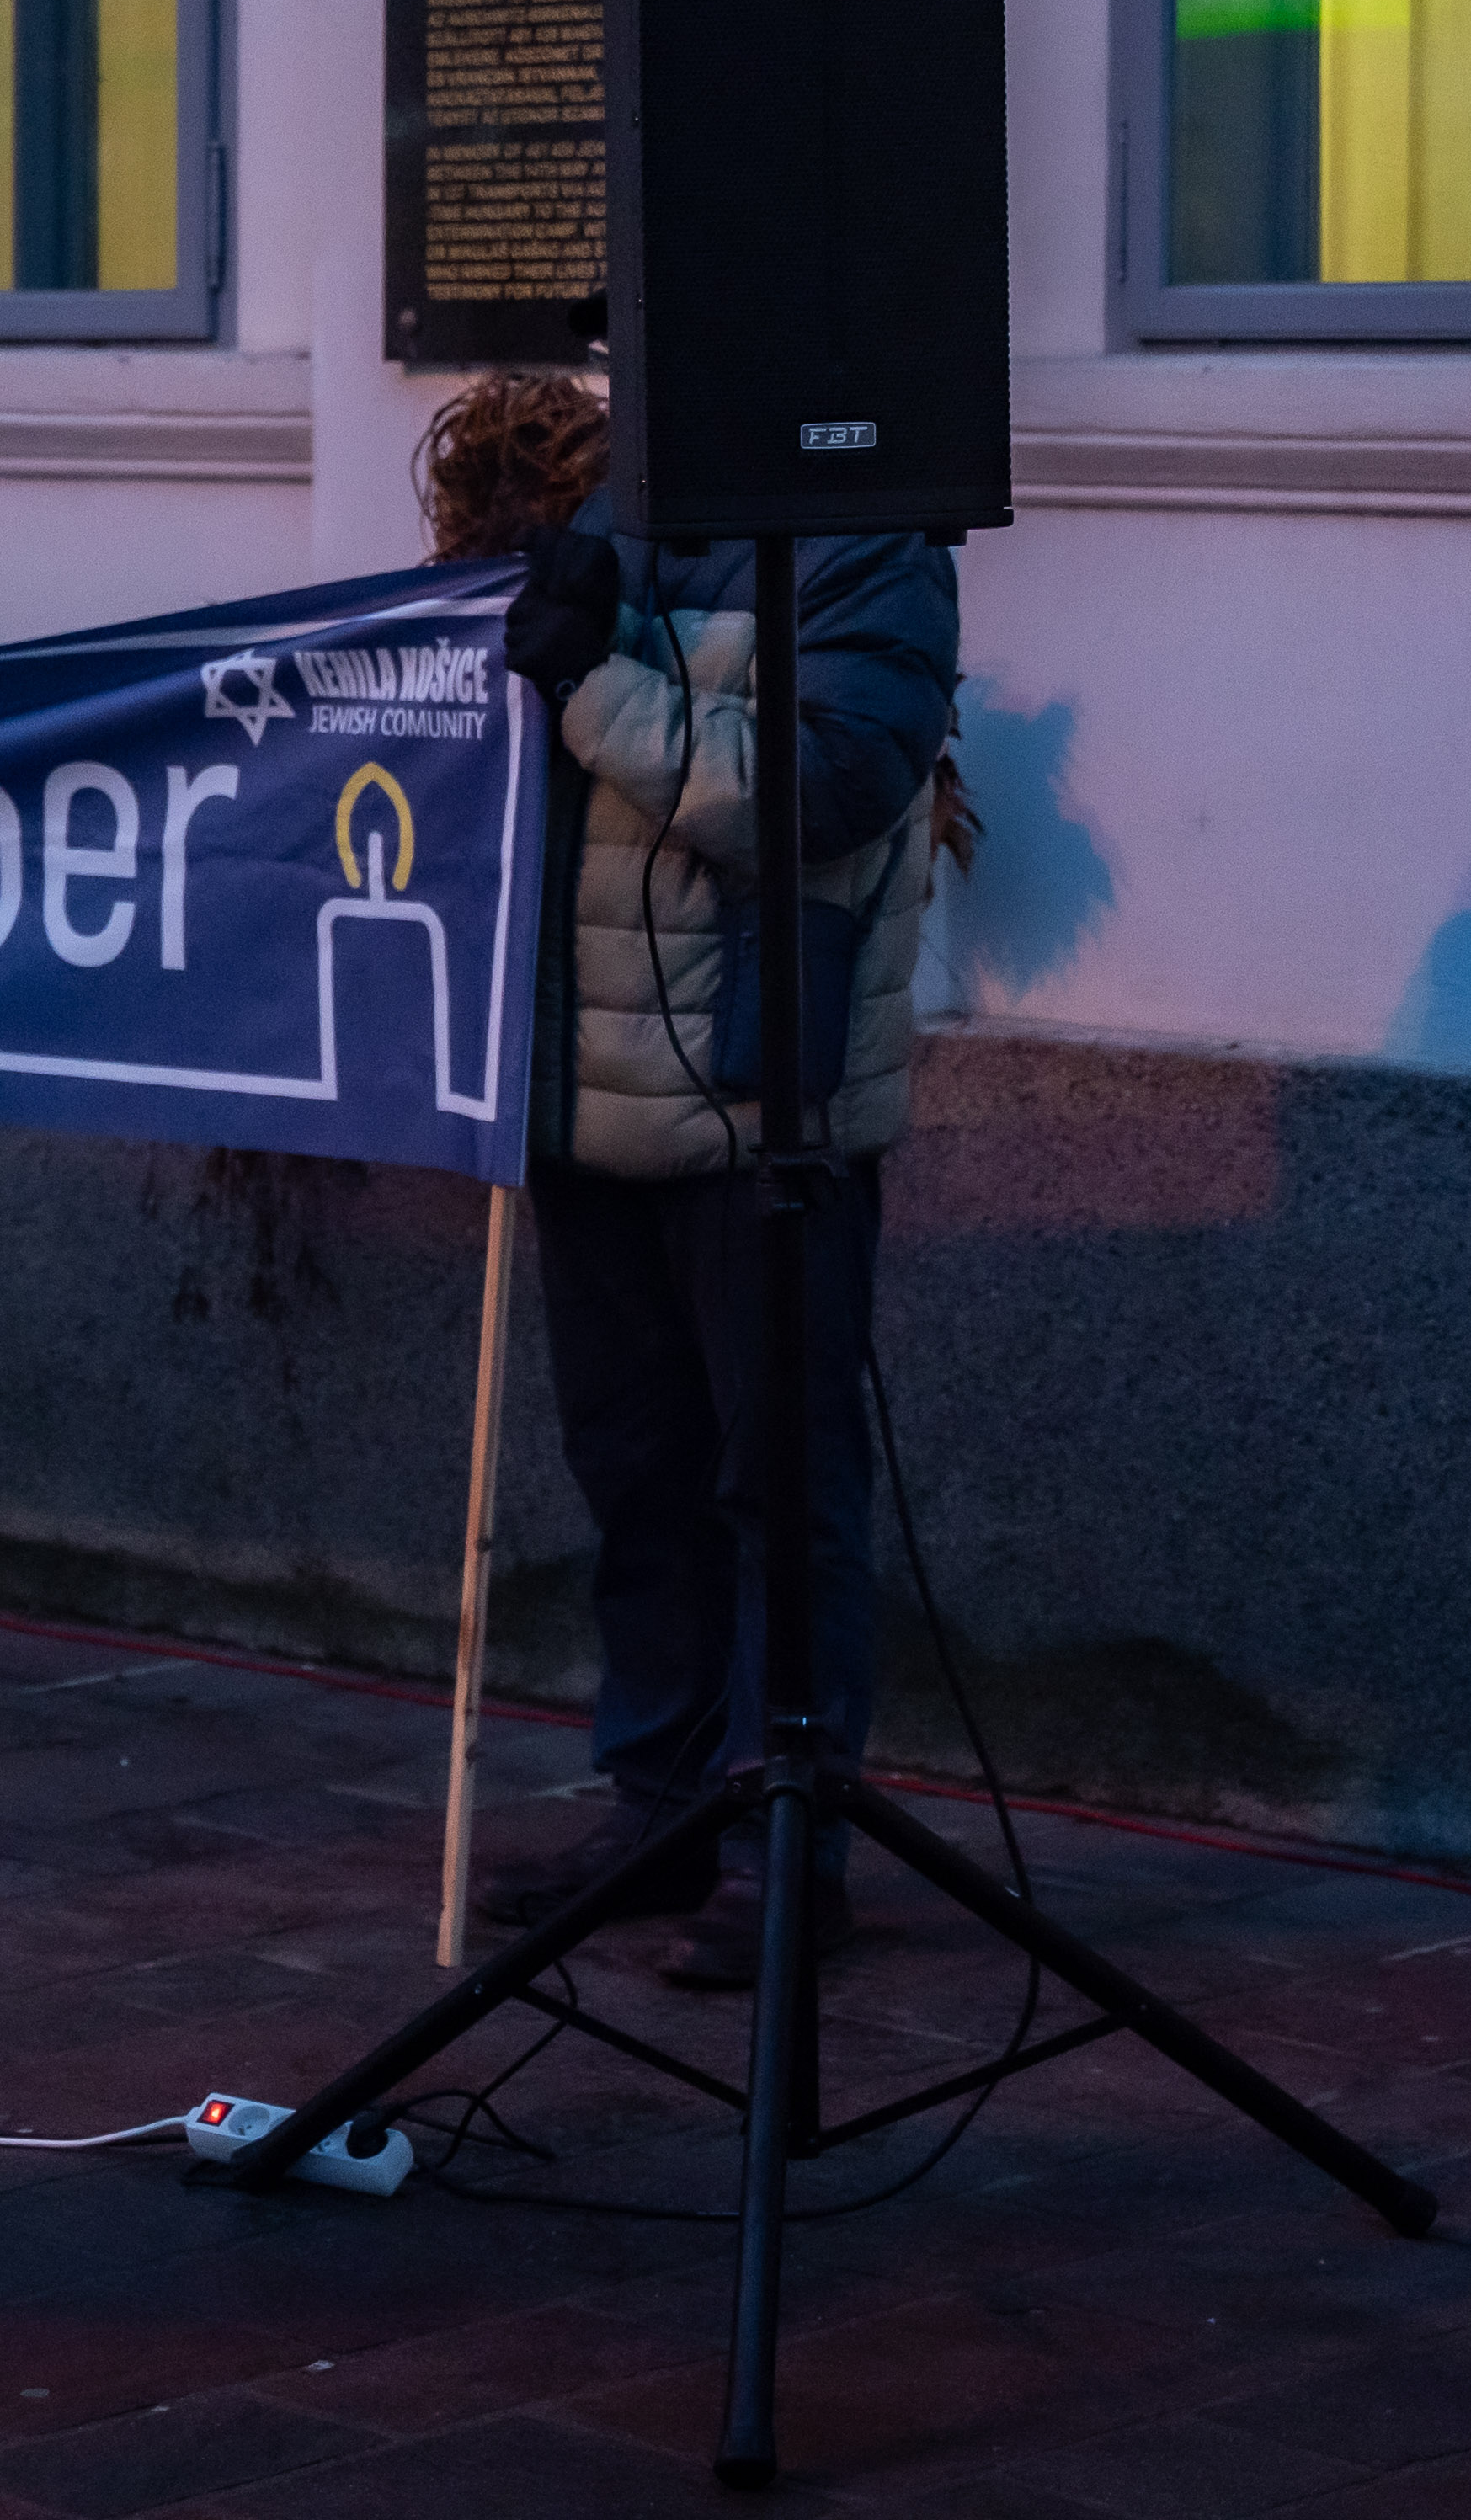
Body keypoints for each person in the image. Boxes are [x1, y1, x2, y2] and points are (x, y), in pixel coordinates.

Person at [441, 370, 961, 1990]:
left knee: (777, 1495)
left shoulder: (877, 549)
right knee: (639, 1476)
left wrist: (591, 681)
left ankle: (784, 1838)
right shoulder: (602, 525)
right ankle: (660, 1809)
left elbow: (825, 790)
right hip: (586, 1107)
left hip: (757, 1112)